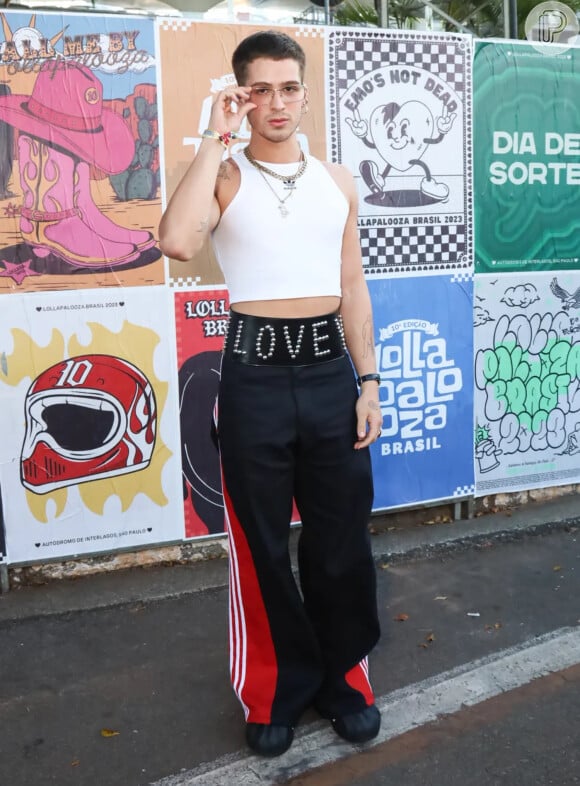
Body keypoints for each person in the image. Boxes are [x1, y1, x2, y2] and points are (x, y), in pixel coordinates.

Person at [159, 30, 383, 758]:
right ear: (241, 94)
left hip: (329, 376)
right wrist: (210, 142)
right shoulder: (223, 176)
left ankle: (344, 681)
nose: (277, 103)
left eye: (289, 87)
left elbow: (352, 287)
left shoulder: (340, 182)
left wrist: (369, 381)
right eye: (261, 89)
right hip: (252, 378)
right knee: (259, 546)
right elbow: (176, 241)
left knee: (340, 540)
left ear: (305, 91)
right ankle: (274, 691)